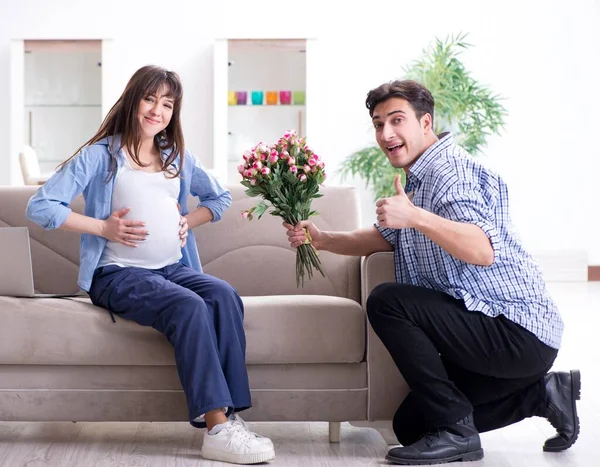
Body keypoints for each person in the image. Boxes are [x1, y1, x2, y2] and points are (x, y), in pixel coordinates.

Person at [284, 80, 580, 465]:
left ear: (425, 123)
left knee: (388, 301)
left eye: (396, 120)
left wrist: (415, 217)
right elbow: (384, 237)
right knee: (413, 425)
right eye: (377, 124)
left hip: (516, 331)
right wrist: (323, 240)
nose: (385, 133)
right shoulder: (420, 176)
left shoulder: (448, 174)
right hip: (489, 331)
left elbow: (481, 249)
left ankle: (459, 432)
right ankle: (544, 394)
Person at [26, 65, 275, 465]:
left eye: (167, 103)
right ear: (132, 100)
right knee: (189, 306)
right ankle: (215, 428)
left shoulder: (176, 156)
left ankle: (232, 419)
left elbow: (219, 200)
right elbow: (40, 206)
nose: (157, 110)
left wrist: (186, 221)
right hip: (117, 274)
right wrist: (103, 227)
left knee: (224, 296)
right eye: (149, 98)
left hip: (172, 269)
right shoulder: (101, 155)